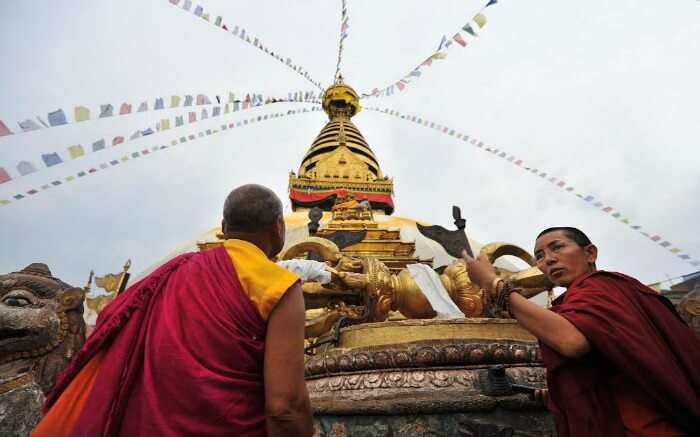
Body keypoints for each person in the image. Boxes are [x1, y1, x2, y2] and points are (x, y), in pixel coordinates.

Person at [32, 184, 313, 437]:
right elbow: (284, 408)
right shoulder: (279, 285)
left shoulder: (173, 274)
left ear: (224, 227)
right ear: (278, 227)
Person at [464, 227, 700, 437]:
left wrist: (493, 284)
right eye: (540, 256)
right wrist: (561, 396)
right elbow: (620, 365)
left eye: (558, 247)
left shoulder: (602, 286)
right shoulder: (585, 297)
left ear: (590, 253)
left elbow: (572, 342)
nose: (549, 260)